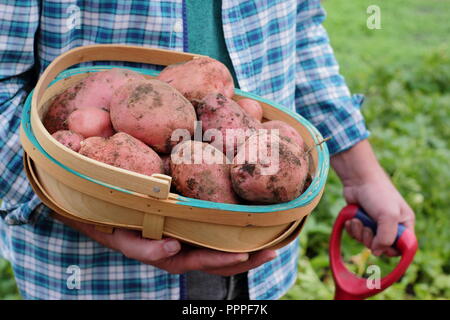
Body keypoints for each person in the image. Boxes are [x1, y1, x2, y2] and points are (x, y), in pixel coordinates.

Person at [0, 0, 415, 300]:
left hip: (257, 252)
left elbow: (302, 30)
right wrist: (86, 207)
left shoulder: (241, 141)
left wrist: (361, 173)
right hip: (95, 271)